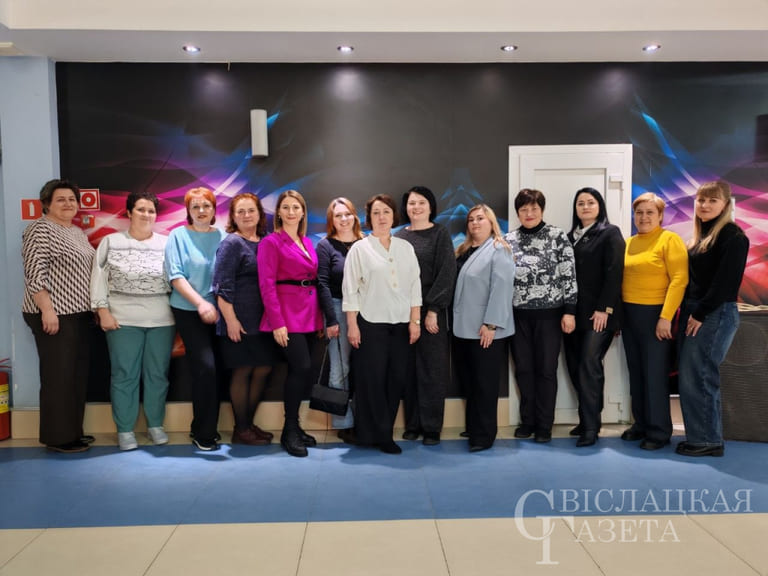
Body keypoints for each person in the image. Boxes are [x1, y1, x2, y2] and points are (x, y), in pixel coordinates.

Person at [90, 191, 175, 451]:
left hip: (162, 320)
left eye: (151, 210)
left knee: (157, 375)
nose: (146, 215)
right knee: (124, 375)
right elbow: (98, 278)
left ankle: (155, 425)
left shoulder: (167, 243)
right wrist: (102, 311)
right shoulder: (111, 242)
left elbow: (178, 278)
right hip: (122, 320)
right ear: (128, 213)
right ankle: (125, 430)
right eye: (140, 209)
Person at [343, 194, 421, 454]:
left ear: (393, 216)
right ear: (369, 218)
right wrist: (352, 325)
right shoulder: (360, 249)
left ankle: (384, 431)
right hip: (370, 324)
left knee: (395, 380)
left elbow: (415, 286)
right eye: (376, 212)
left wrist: (415, 321)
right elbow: (350, 290)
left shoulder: (405, 248)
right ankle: (373, 434)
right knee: (372, 381)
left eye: (386, 211)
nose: (381, 217)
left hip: (401, 325)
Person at [22, 179, 96, 453]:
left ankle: (73, 431)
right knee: (59, 376)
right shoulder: (39, 229)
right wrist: (47, 310)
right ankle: (58, 438)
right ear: (47, 204)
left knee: (76, 375)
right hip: (54, 313)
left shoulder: (76, 232)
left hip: (79, 314)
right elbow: (34, 273)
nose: (68, 204)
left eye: (72, 199)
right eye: (60, 199)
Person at [676, 181, 749, 457]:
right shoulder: (701, 236)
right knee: (691, 376)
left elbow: (725, 283)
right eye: (701, 200)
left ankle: (707, 440)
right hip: (699, 311)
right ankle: (701, 437)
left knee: (701, 375)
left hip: (714, 313)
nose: (705, 205)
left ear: (726, 204)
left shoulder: (733, 237)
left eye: (712, 200)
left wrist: (699, 313)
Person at [505, 189, 577, 444]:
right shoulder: (509, 239)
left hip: (550, 317)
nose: (529, 213)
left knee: (546, 370)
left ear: (542, 210)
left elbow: (569, 274)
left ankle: (545, 425)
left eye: (534, 208)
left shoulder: (557, 236)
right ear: (518, 212)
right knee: (524, 370)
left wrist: (570, 311)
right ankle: (528, 421)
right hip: (517, 317)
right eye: (524, 209)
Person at [258, 190, 324, 458]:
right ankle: (289, 430)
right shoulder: (271, 242)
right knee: (301, 367)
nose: (291, 212)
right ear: (279, 213)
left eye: (296, 207)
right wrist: (277, 323)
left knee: (305, 371)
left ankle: (295, 426)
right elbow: (266, 285)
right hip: (286, 315)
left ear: (303, 212)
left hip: (309, 314)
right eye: (285, 207)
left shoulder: (307, 242)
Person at [621, 192, 688, 451]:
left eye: (650, 212)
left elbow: (679, 280)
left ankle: (659, 431)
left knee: (655, 375)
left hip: (656, 315)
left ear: (660, 215)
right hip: (630, 315)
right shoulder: (629, 243)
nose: (644, 217)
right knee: (637, 373)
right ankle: (641, 424)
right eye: (639, 213)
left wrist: (665, 317)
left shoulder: (669, 240)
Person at [165, 187, 227, 451]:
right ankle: (204, 432)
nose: (202, 211)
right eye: (196, 207)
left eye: (206, 206)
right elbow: (175, 276)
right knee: (205, 368)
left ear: (214, 209)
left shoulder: (223, 236)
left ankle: (204, 426)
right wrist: (201, 304)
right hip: (189, 310)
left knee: (218, 370)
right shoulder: (177, 236)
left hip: (221, 311)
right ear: (188, 211)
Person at [563, 188, 625, 447]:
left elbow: (614, 272)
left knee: (589, 364)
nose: (585, 207)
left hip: (600, 314)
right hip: (573, 315)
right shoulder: (569, 238)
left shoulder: (610, 233)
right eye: (580, 203)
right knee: (575, 366)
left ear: (600, 206)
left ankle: (590, 428)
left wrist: (605, 308)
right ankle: (588, 419)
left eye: (591, 202)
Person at [395, 186, 456, 445]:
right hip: (404, 312)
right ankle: (413, 424)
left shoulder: (440, 234)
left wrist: (433, 310)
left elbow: (447, 273)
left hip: (431, 312)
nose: (416, 207)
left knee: (432, 369)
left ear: (431, 206)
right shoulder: (399, 237)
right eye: (412, 203)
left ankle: (431, 427)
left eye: (421, 202)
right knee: (409, 369)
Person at [212, 193, 274, 446]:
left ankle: (248, 424)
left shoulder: (267, 241)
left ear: (260, 214)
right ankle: (241, 429)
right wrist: (231, 320)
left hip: (264, 321)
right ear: (233, 217)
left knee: (263, 368)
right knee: (243, 370)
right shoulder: (231, 244)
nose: (247, 215)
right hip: (238, 320)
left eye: (251, 210)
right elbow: (221, 286)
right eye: (241, 211)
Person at [453, 204, 516, 452]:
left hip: (486, 329)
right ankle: (474, 426)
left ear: (491, 222)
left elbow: (502, 288)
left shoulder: (499, 249)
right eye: (471, 219)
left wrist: (491, 324)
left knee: (485, 384)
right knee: (470, 381)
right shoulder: (464, 250)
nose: (475, 223)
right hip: (463, 328)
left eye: (480, 218)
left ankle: (484, 435)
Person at [316, 197, 364, 444]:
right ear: (331, 220)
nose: (344, 219)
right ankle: (344, 424)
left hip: (366, 310)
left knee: (364, 368)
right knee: (340, 368)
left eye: (347, 214)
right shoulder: (325, 246)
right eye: (338, 215)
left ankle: (364, 420)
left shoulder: (366, 243)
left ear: (354, 216)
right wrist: (331, 320)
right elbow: (322, 283)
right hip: (337, 308)